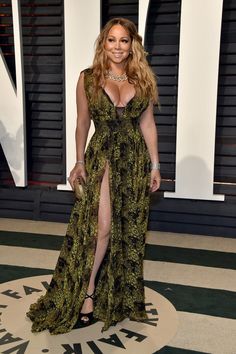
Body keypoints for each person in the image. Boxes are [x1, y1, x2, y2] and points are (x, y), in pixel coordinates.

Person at [26, 17, 161, 335]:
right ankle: (86, 296)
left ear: (132, 45)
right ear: (104, 43)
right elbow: (82, 123)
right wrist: (78, 161)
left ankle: (116, 294)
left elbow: (147, 125)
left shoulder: (142, 80)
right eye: (111, 40)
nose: (117, 46)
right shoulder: (88, 78)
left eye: (124, 41)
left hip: (133, 161)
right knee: (101, 228)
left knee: (127, 230)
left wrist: (155, 165)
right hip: (102, 157)